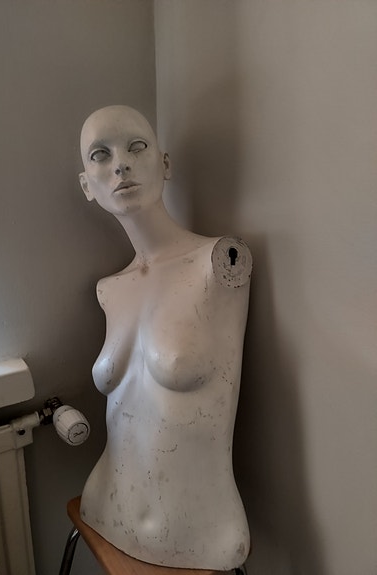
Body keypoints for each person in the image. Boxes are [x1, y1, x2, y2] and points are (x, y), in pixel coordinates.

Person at [78, 105, 252, 570]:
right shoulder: (110, 290)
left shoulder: (219, 262)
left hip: (197, 530)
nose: (120, 164)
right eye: (100, 155)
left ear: (165, 163)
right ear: (86, 186)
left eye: (137, 147)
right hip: (103, 503)